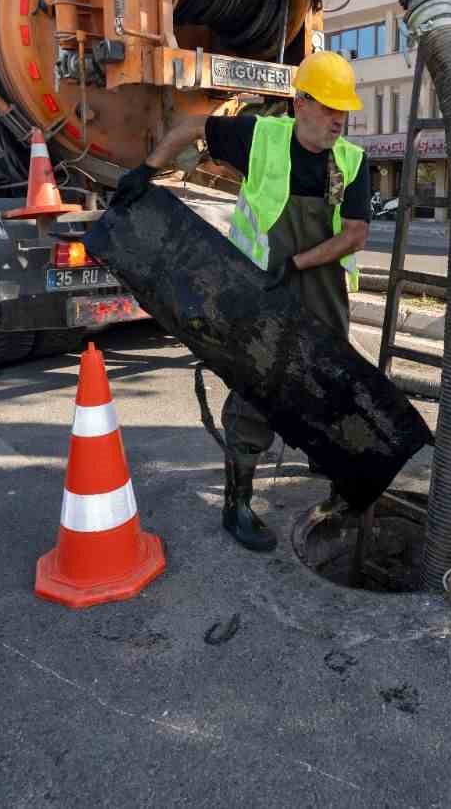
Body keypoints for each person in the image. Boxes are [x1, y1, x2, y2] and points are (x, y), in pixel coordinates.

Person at [114, 50, 369, 552]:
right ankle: (238, 502)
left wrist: (297, 263)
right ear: (300, 104)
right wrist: (147, 170)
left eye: (344, 111)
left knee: (329, 384)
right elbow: (190, 124)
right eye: (328, 108)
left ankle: (331, 471)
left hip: (321, 293)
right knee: (258, 391)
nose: (338, 120)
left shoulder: (352, 161)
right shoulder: (259, 137)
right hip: (260, 292)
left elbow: (356, 234)